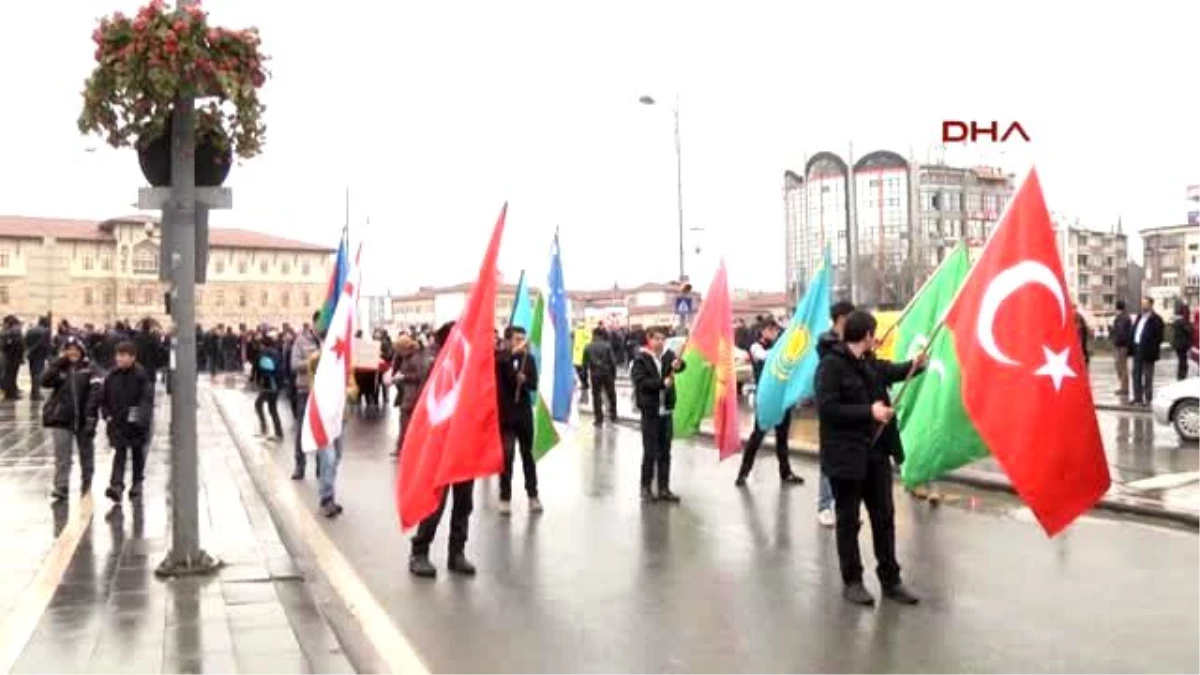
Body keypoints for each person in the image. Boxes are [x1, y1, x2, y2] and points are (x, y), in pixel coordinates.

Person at [815, 310, 923, 607]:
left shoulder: (869, 362)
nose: (875, 338)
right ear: (864, 335)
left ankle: (891, 580)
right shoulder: (831, 366)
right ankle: (853, 581)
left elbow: (890, 371)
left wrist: (914, 365)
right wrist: (869, 412)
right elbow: (827, 409)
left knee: (884, 518)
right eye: (872, 333)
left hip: (876, 454)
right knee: (849, 522)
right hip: (846, 458)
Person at [410, 322, 477, 578]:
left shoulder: (470, 368)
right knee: (434, 503)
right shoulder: (436, 366)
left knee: (464, 503)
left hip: (465, 445)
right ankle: (419, 552)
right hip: (441, 445)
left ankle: (456, 552)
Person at [735, 317, 805, 487]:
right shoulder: (756, 346)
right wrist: (783, 349)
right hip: (766, 397)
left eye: (776, 330)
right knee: (757, 436)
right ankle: (743, 472)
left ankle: (785, 472)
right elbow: (764, 356)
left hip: (782, 396)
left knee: (782, 436)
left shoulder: (779, 345)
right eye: (772, 330)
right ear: (763, 330)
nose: (775, 333)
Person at [41, 335, 103, 501]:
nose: (72, 353)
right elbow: (44, 381)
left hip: (84, 418)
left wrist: (91, 416)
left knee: (86, 452)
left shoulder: (90, 368)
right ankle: (61, 485)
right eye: (68, 350)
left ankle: (87, 481)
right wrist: (57, 363)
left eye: (75, 349)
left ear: (81, 350)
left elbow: (96, 392)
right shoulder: (61, 367)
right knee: (62, 454)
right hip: (62, 417)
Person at [630, 326, 687, 503]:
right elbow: (641, 382)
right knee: (650, 452)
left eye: (662, 339)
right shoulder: (641, 359)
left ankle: (664, 488)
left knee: (665, 452)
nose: (660, 342)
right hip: (650, 411)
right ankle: (646, 488)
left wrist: (679, 365)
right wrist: (662, 383)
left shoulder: (668, 356)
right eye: (656, 339)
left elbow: (680, 366)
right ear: (649, 339)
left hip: (666, 411)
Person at [814, 300, 856, 527]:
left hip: (849, 407)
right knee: (828, 459)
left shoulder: (850, 340)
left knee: (845, 459)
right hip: (831, 408)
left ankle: (842, 504)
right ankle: (824, 505)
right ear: (841, 318)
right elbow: (833, 348)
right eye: (851, 316)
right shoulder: (826, 340)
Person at [100, 342, 154, 502]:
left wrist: (136, 418)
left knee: (137, 454)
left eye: (123, 356)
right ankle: (116, 485)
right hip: (117, 422)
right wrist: (107, 414)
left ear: (132, 357)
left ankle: (137, 482)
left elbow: (145, 400)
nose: (119, 359)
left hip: (136, 424)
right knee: (119, 453)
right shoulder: (111, 376)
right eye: (118, 355)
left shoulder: (141, 376)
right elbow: (104, 398)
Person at [496, 325, 541, 515]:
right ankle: (505, 497)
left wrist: (525, 381)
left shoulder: (528, 359)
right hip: (506, 415)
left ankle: (533, 495)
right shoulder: (500, 358)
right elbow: (502, 373)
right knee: (506, 457)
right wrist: (515, 375)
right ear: (507, 341)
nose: (521, 342)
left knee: (527, 455)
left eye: (523, 338)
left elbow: (533, 385)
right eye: (517, 339)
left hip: (523, 415)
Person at [289, 313, 321, 479]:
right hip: (305, 390)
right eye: (321, 323)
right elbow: (294, 365)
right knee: (302, 429)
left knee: (322, 430)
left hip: (323, 392)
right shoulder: (301, 341)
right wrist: (313, 361)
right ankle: (299, 466)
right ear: (314, 323)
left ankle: (321, 467)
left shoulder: (329, 341)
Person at [386, 335, 426, 456]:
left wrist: (403, 377)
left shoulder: (415, 358)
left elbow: (420, 376)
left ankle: (404, 448)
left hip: (412, 394)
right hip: (407, 393)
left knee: (406, 423)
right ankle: (403, 447)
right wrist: (395, 378)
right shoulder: (408, 357)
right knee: (405, 423)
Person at [583, 327, 619, 426]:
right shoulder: (607, 346)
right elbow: (613, 362)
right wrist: (614, 375)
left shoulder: (587, 347)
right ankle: (613, 415)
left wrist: (584, 380)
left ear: (593, 335)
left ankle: (598, 419)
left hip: (595, 375)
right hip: (607, 374)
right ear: (602, 335)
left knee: (596, 397)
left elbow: (584, 366)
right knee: (611, 395)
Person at [1132, 296, 1164, 406]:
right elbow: (1135, 331)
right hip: (1137, 348)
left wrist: (1152, 349)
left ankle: (1148, 398)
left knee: (1148, 376)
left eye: (1145, 303)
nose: (1142, 306)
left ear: (1151, 305)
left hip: (1148, 351)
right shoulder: (1139, 317)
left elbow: (1159, 338)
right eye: (1142, 303)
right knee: (1136, 374)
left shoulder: (1156, 319)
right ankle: (1137, 398)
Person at [254, 334, 285, 441]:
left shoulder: (265, 353)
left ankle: (273, 431)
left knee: (265, 406)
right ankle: (273, 431)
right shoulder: (276, 352)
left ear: (263, 344)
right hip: (276, 383)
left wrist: (258, 380)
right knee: (269, 407)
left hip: (270, 384)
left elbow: (264, 368)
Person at [1110, 300, 1133, 397]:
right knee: (1120, 367)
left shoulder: (1121, 318)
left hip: (1121, 346)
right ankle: (1123, 387)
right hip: (1121, 345)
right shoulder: (1124, 317)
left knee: (1121, 367)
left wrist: (1114, 337)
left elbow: (1121, 332)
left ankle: (1124, 388)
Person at [1170, 303, 1193, 381]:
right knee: (1183, 362)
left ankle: (1181, 376)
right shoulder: (1182, 321)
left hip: (1179, 344)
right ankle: (1181, 377)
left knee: (1182, 361)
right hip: (1182, 345)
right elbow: (1189, 330)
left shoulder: (1177, 320)